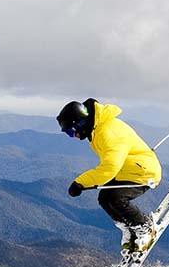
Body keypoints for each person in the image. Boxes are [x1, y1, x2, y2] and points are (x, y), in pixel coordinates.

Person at [57, 99, 162, 253]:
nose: (74, 136)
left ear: (80, 123)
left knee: (116, 198)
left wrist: (80, 183)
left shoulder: (108, 133)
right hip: (128, 169)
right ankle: (129, 228)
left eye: (71, 132)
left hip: (144, 172)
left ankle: (144, 227)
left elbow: (109, 167)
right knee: (104, 198)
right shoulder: (98, 128)